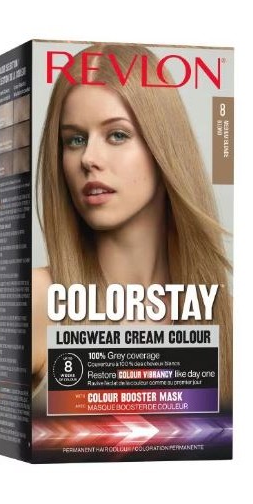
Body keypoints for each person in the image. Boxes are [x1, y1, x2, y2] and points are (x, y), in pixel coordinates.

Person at [32, 43, 232, 411]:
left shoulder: (226, 316)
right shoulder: (39, 299)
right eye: (75, 139)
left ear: (163, 147)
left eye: (117, 135)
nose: (88, 158)